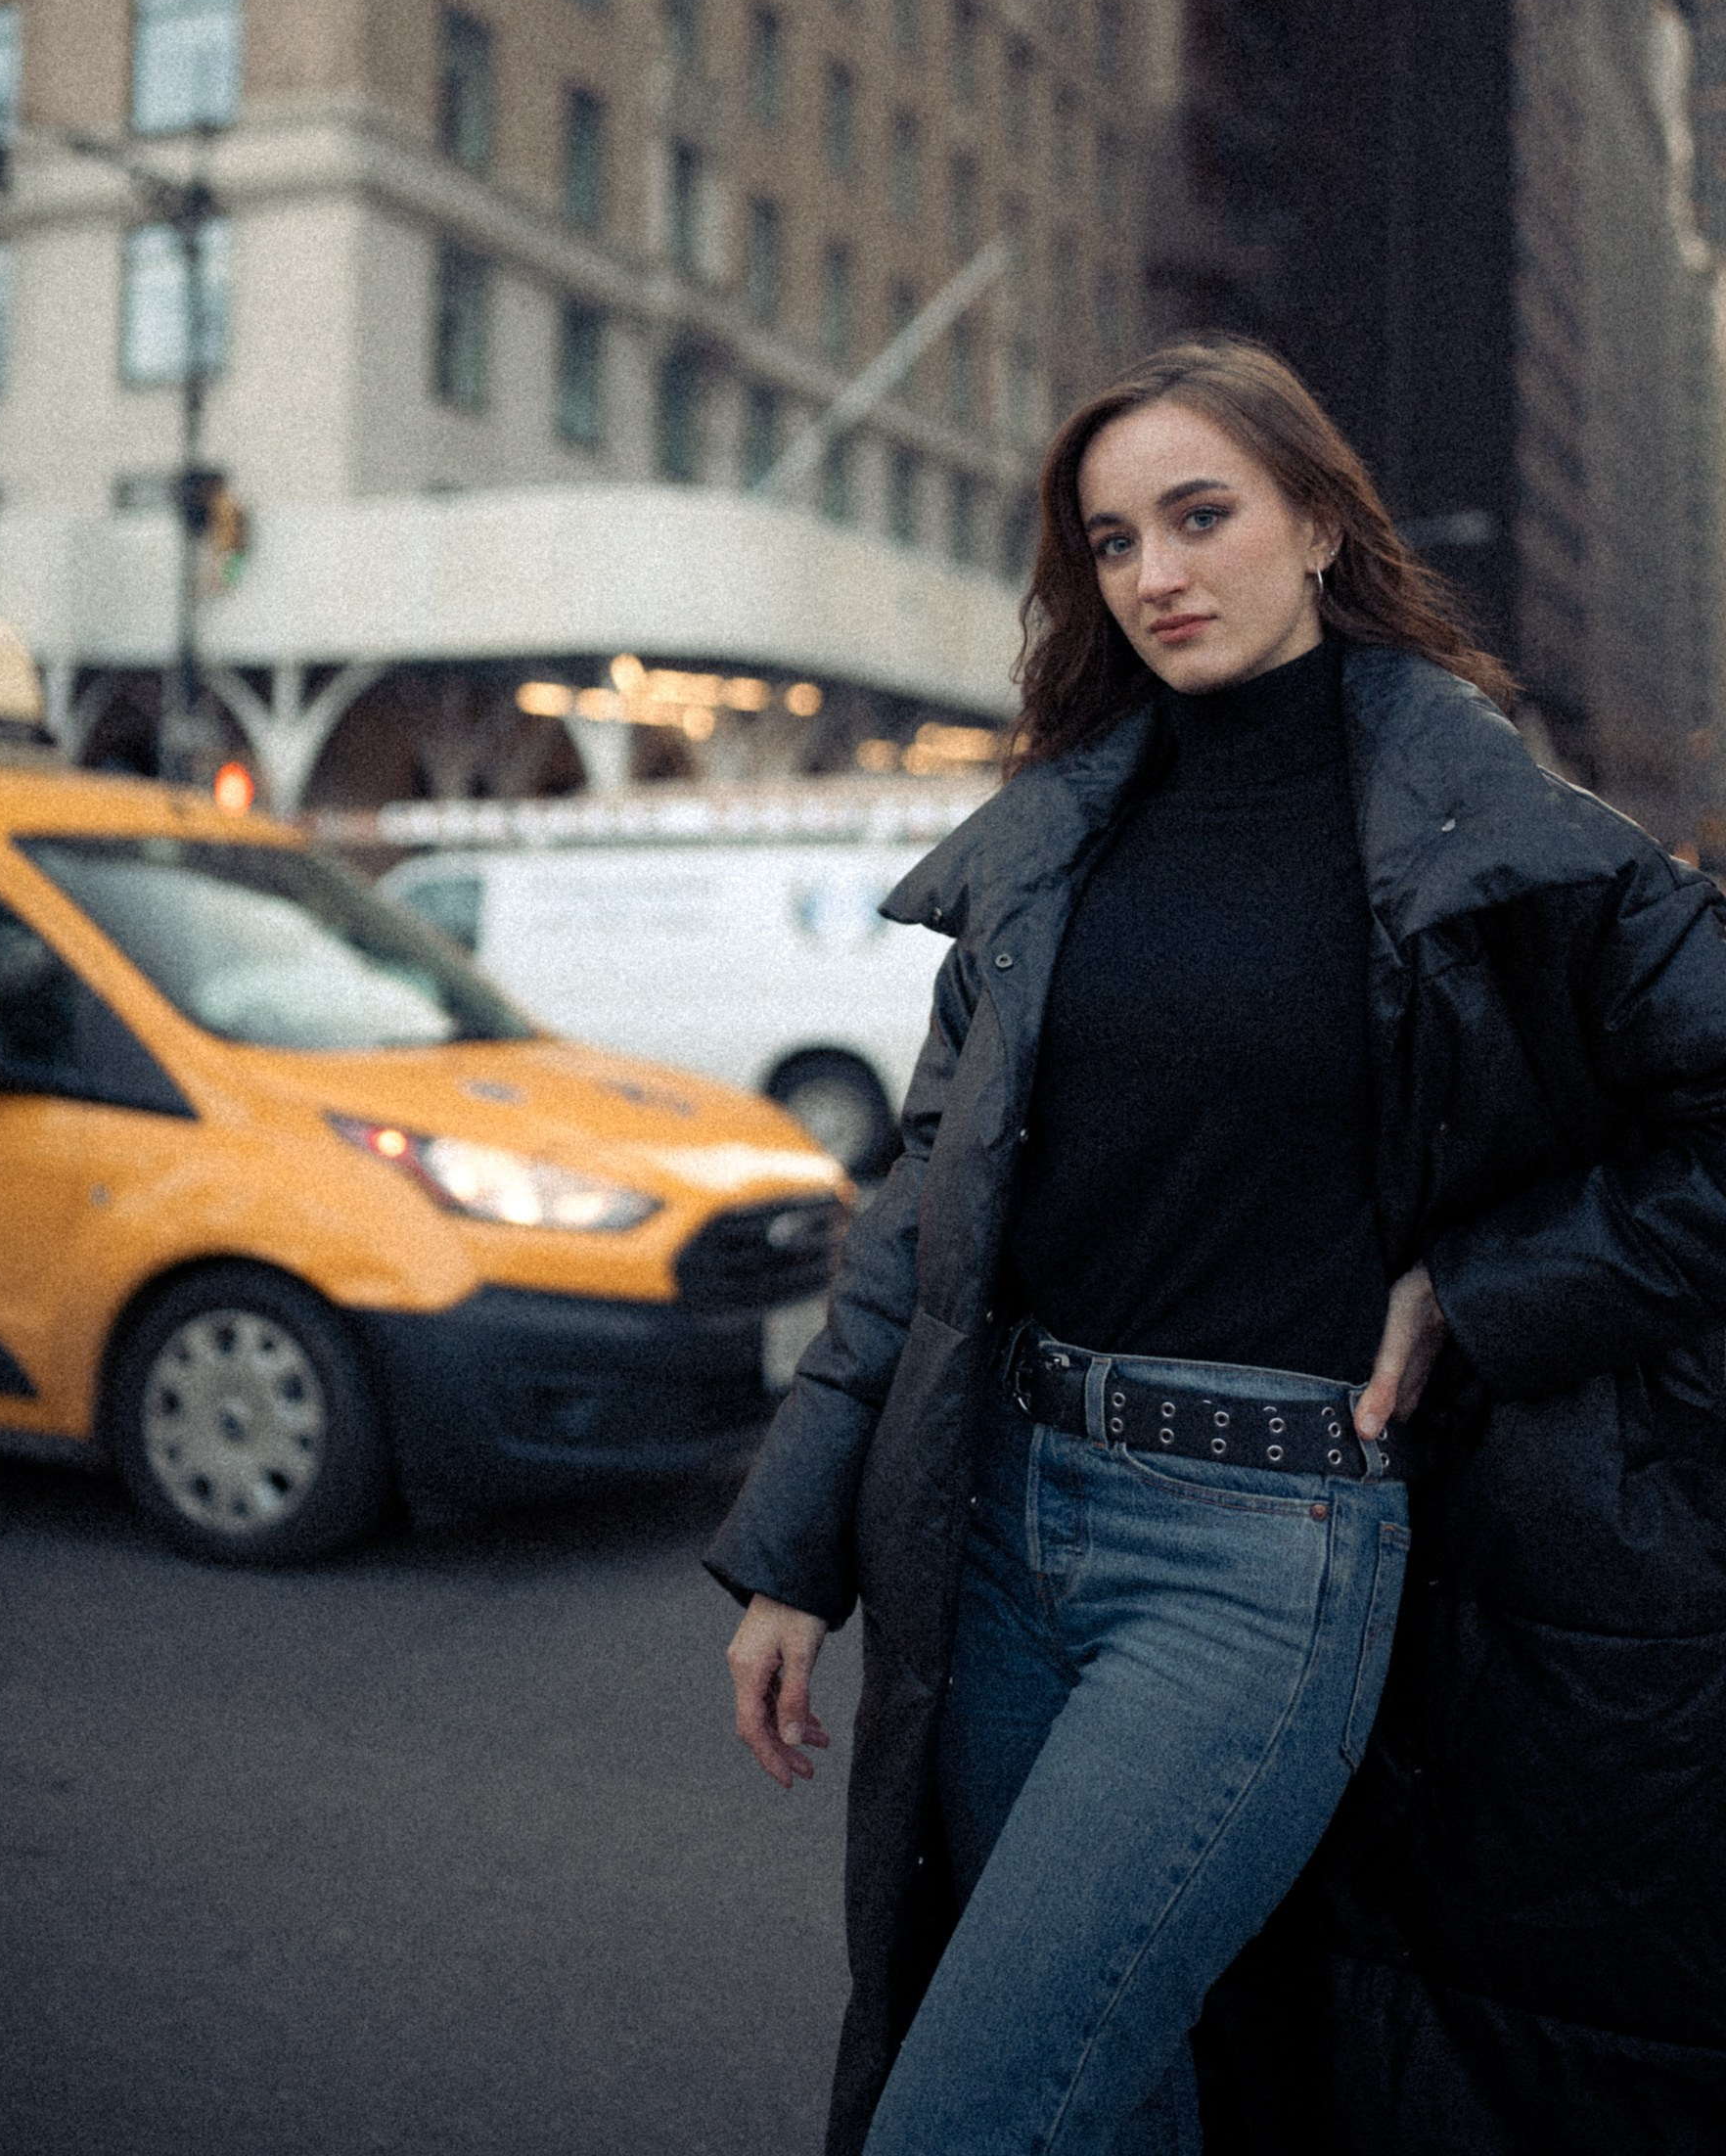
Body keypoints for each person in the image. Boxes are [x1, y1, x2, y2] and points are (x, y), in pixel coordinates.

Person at [707, 338, 1726, 2156]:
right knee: (1126, 2088)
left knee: (975, 2115)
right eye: (1111, 542)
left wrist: (1491, 1292)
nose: (1156, 574)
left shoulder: (1500, 837)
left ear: (1320, 523)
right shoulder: (1054, 842)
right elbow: (930, 1207)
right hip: (1009, 1530)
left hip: (1265, 1558)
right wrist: (795, 1549)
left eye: (1201, 516)